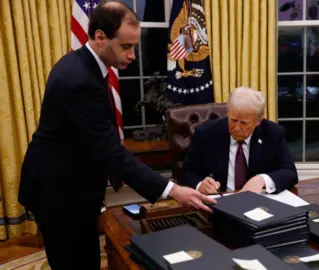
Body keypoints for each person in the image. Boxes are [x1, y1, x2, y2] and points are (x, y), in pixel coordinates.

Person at [17, 1, 215, 269]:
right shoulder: (79, 80)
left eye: (134, 45)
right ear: (100, 37)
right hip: (59, 193)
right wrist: (173, 190)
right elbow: (109, 151)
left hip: (72, 184)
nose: (133, 55)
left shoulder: (84, 65)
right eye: (125, 46)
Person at [181, 86, 299, 195]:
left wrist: (261, 179)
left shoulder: (272, 133)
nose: (237, 128)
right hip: (219, 203)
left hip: (257, 204)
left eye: (244, 123)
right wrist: (200, 184)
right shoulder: (206, 133)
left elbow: (290, 173)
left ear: (258, 121)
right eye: (233, 120)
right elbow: (186, 173)